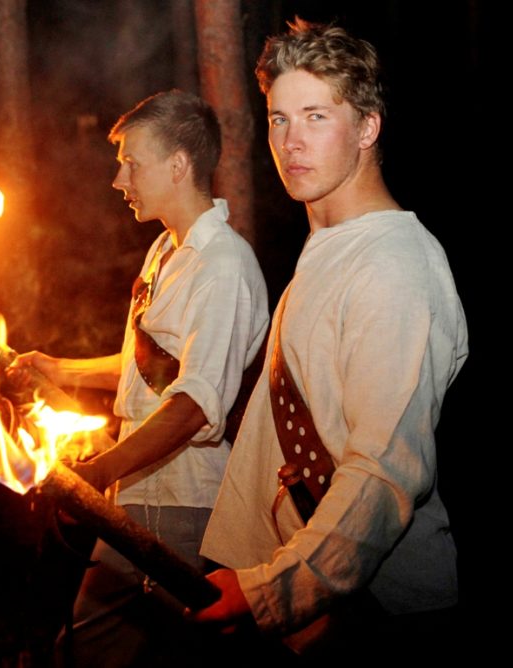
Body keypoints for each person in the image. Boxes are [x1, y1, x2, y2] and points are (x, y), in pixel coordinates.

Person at [194, 19, 468, 659]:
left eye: (316, 116)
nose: (290, 141)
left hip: (379, 618)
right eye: (279, 119)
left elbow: (383, 471)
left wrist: (274, 590)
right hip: (314, 604)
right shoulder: (331, 249)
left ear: (368, 128)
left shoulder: (395, 265)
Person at [19, 90, 268, 666]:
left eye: (132, 163)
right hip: (139, 495)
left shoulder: (224, 265)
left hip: (187, 502)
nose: (119, 179)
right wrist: (56, 368)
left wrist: (99, 470)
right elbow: (147, 370)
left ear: (178, 165)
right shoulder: (164, 251)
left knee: (101, 652)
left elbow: (196, 403)